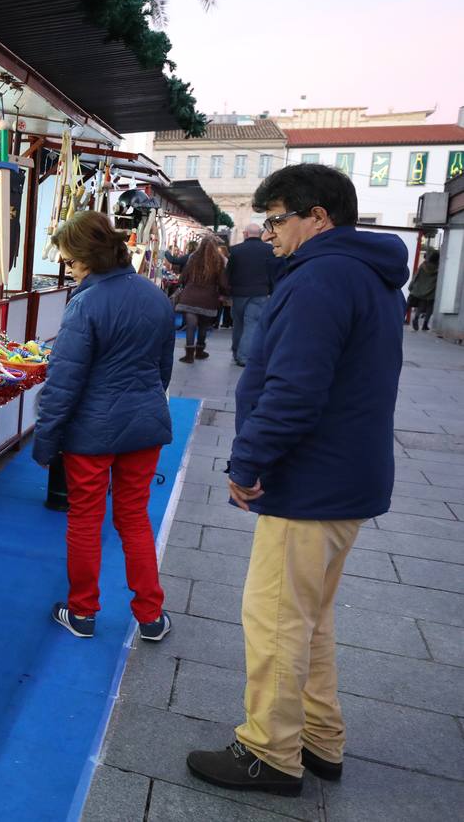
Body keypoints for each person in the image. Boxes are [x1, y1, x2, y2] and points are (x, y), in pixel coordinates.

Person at [187, 164, 408, 796]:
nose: (272, 233)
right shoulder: (367, 274)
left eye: (279, 219)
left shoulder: (322, 278)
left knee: (278, 617)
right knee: (309, 617)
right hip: (344, 475)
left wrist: (248, 461)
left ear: (318, 216)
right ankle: (318, 737)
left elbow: (294, 388)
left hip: (313, 479)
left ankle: (270, 751)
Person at [34, 211, 175, 643]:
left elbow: (63, 380)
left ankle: (82, 611)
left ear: (86, 255)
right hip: (143, 424)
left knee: (85, 520)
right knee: (134, 518)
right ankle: (151, 615)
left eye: (70, 258)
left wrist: (46, 438)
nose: (69, 266)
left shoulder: (86, 303)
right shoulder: (155, 297)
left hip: (91, 431)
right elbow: (162, 371)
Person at [226, 222, 280, 366]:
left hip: (238, 293)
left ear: (245, 234)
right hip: (260, 293)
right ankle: (243, 357)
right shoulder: (269, 250)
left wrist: (227, 291)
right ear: (260, 234)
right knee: (252, 324)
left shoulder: (235, 250)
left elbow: (228, 273)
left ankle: (236, 351)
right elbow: (274, 272)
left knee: (238, 324)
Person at [173, 237, 228, 362]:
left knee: (191, 325)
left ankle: (188, 354)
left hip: (189, 296)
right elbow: (223, 282)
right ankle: (200, 350)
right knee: (203, 326)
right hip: (208, 299)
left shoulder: (193, 258)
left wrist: (183, 284)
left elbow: (183, 277)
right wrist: (224, 293)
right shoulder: (218, 261)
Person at [407, 249, 439, 331]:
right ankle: (425, 324)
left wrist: (411, 285)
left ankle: (416, 317)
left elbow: (416, 275)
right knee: (429, 307)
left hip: (419, 289)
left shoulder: (423, 265)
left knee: (420, 306)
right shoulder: (439, 269)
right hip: (431, 291)